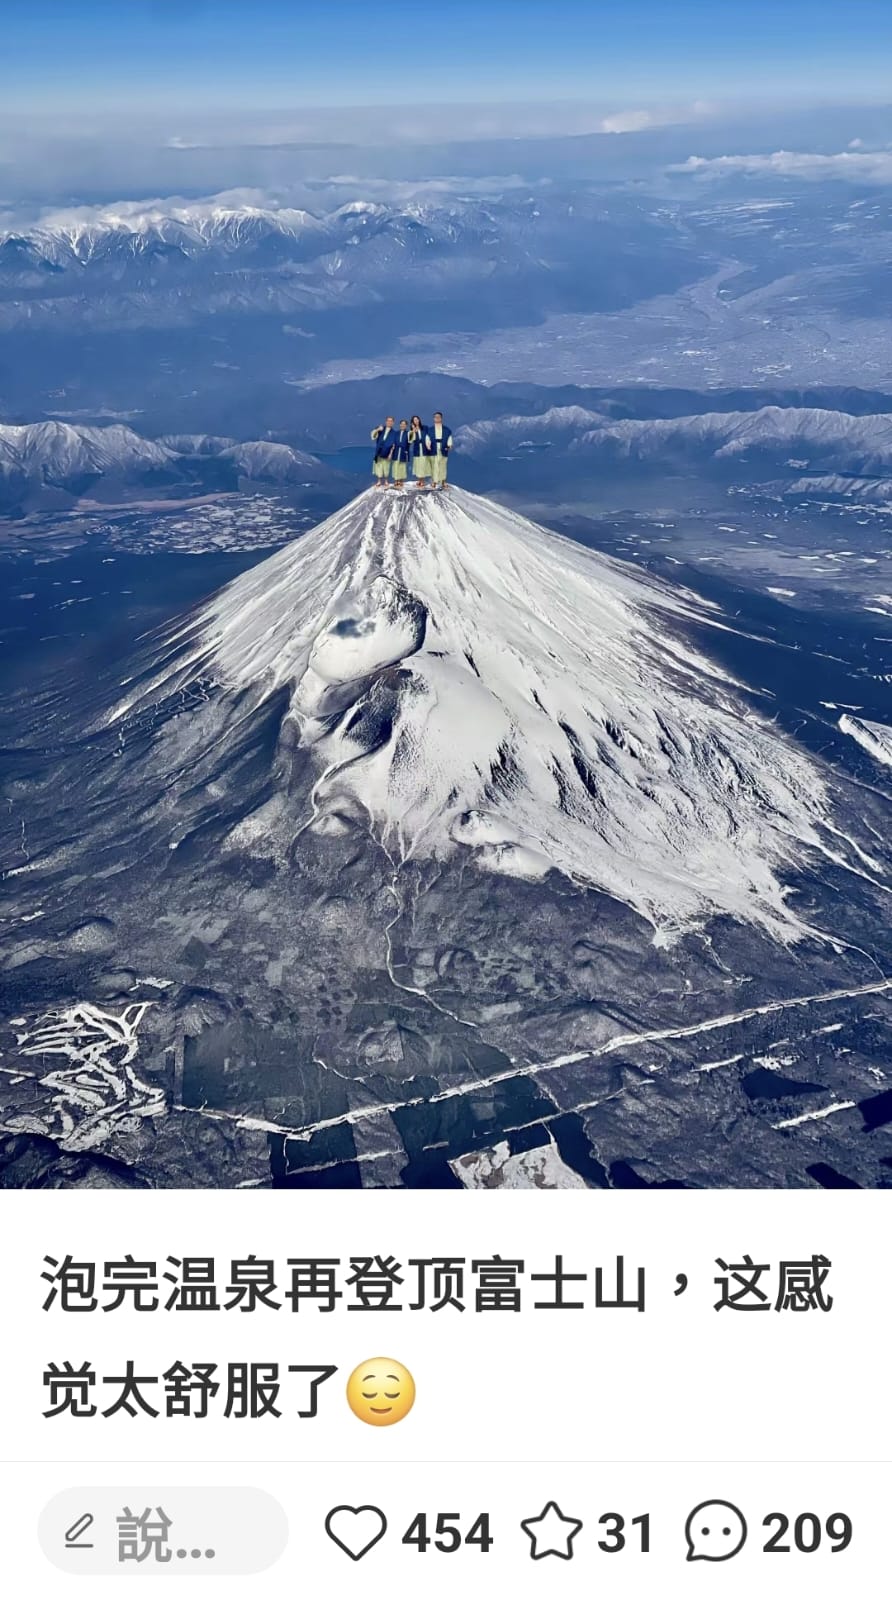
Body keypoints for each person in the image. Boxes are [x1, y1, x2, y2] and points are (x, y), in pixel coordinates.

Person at [425, 411, 453, 490]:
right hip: (433, 448)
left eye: (438, 417)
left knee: (443, 465)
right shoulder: (430, 430)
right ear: (433, 419)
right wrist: (428, 444)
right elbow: (427, 438)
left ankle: (443, 481)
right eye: (435, 417)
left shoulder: (446, 430)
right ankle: (434, 481)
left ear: (441, 418)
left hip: (443, 448)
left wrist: (449, 445)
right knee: (434, 465)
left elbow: (449, 438)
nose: (437, 418)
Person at [370, 416, 398, 488]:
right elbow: (373, 436)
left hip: (387, 452)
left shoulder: (394, 433)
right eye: (388, 421)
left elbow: (394, 445)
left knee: (386, 466)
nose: (389, 422)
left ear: (393, 423)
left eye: (391, 421)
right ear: (386, 421)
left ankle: (386, 480)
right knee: (378, 466)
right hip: (379, 451)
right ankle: (379, 481)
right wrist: (378, 429)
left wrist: (390, 454)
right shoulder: (380, 428)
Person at [408, 415, 431, 489]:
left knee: (423, 464)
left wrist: (428, 444)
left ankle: (422, 481)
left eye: (417, 419)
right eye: (414, 420)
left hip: (424, 448)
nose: (416, 421)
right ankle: (420, 480)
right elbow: (410, 441)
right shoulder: (411, 431)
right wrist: (413, 431)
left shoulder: (425, 428)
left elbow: (428, 436)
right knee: (418, 464)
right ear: (412, 422)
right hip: (417, 449)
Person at [391, 419, 410, 490]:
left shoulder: (408, 433)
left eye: (404, 424)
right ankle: (396, 480)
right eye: (401, 424)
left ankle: (401, 480)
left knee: (402, 466)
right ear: (399, 425)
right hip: (396, 451)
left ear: (406, 426)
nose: (402, 425)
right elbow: (393, 441)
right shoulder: (396, 433)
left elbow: (410, 441)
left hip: (403, 451)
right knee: (395, 465)